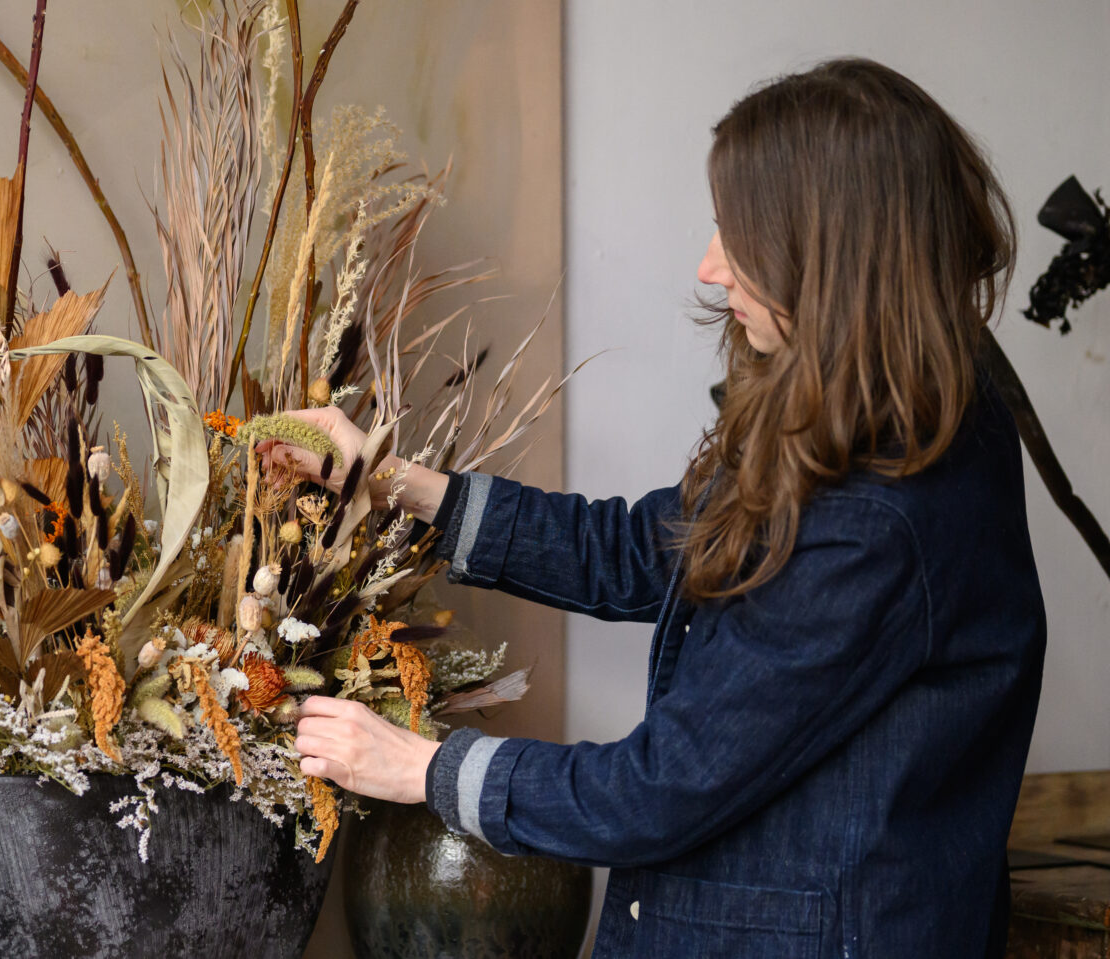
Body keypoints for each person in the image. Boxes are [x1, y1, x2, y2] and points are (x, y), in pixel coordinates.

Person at [264, 57, 1046, 958]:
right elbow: (645, 549)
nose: (710, 269)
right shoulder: (869, 401)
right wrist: (387, 479)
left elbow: (663, 786)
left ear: (831, 258)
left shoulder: (881, 511)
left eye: (741, 241)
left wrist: (421, 768)